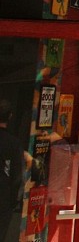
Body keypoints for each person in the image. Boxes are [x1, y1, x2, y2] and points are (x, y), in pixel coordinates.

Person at [0, 99, 23, 242]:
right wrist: (14, 200)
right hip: (3, 198)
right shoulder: (14, 143)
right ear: (10, 116)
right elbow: (17, 176)